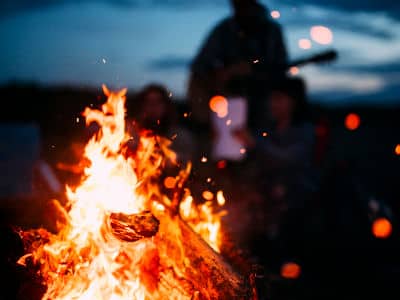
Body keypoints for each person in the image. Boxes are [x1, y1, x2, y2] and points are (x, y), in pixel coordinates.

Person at [187, 0, 288, 133]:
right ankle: (209, 130)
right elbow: (200, 64)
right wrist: (223, 73)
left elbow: (280, 67)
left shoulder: (271, 31)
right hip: (228, 95)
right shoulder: (224, 29)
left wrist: (251, 69)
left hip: (263, 93)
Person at [128, 84, 196, 166]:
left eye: (158, 102)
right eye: (149, 101)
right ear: (142, 106)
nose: (153, 106)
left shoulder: (181, 137)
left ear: (166, 106)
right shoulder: (130, 135)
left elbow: (186, 164)